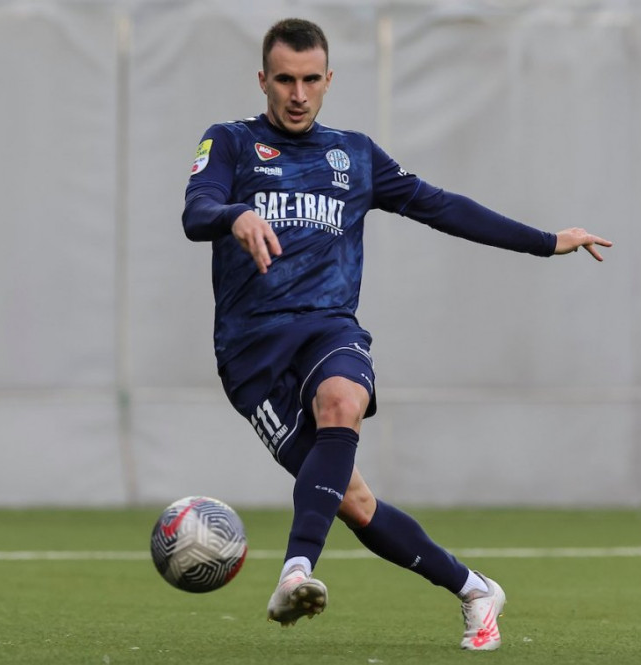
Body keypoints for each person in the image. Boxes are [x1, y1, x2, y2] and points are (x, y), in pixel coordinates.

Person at [181, 17, 611, 652]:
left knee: (342, 400)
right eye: (285, 80)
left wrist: (547, 242)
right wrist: (235, 214)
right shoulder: (231, 142)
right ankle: (475, 589)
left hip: (328, 327)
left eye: (310, 80)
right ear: (263, 80)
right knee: (353, 502)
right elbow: (196, 211)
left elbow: (441, 206)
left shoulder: (353, 154)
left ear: (329, 80)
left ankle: (296, 570)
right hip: (251, 352)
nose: (298, 94)